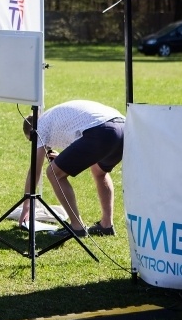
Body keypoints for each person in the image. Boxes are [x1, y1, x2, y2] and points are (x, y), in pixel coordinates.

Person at [18, 99, 125, 238]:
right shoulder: (53, 118)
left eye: (32, 141)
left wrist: (27, 205)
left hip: (101, 130)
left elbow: (35, 170)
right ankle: (106, 225)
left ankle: (77, 227)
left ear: (32, 133)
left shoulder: (39, 128)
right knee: (99, 172)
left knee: (53, 173)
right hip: (122, 127)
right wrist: (62, 159)